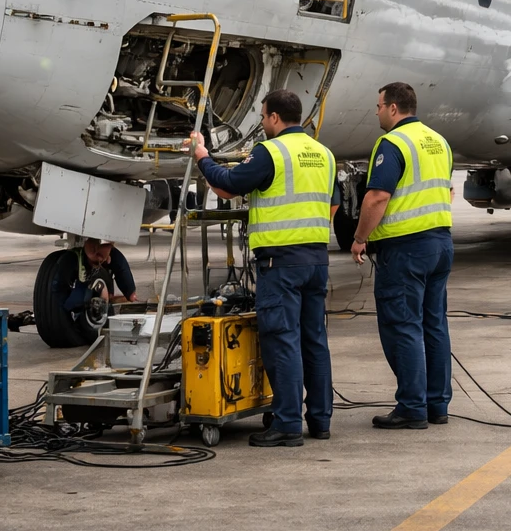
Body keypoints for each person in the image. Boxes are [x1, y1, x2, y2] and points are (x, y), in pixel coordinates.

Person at [189, 89, 338, 447]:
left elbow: (227, 186)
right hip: (316, 260)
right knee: (314, 341)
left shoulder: (270, 152)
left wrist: (202, 157)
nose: (262, 121)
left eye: (263, 115)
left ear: (274, 118)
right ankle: (320, 420)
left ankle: (287, 424)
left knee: (282, 341)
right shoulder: (324, 153)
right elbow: (331, 206)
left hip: (281, 264)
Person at [351, 82, 454, 429]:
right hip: (440, 243)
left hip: (407, 248)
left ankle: (412, 406)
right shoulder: (438, 141)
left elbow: (378, 196)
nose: (377, 111)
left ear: (394, 108)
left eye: (379, 105)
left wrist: (360, 237)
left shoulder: (392, 143)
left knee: (403, 325)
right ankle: (437, 404)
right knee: (434, 324)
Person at [52, 238, 138, 316]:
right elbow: (59, 290)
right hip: (73, 306)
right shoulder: (69, 261)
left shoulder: (112, 259)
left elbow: (122, 269)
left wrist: (129, 290)